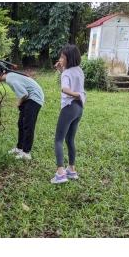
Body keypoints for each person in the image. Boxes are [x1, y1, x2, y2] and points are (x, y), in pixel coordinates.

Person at [0, 67, 44, 160]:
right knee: (21, 124)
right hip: (29, 98)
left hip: (34, 98)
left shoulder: (10, 80)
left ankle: (26, 152)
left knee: (28, 125)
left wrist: (19, 102)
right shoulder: (9, 77)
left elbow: (25, 95)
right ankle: (20, 147)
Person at [51, 44, 86, 184]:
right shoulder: (79, 70)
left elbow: (65, 89)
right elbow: (71, 81)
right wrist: (61, 71)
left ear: (69, 59)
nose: (60, 59)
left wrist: (76, 94)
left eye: (62, 57)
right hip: (78, 109)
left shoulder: (67, 73)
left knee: (58, 140)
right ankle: (71, 169)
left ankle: (60, 173)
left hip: (69, 107)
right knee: (70, 140)